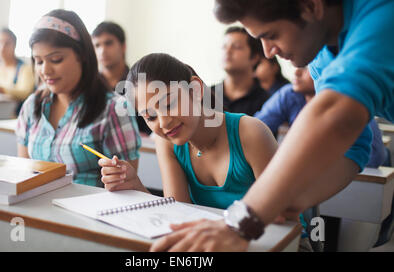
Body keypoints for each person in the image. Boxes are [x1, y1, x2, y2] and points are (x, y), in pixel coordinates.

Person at [151, 0, 394, 252]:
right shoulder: (321, 55)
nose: (267, 53)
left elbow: (336, 116)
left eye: (271, 35)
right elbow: (355, 148)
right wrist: (292, 200)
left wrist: (243, 219)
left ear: (310, 6)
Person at [99, 53, 312, 250]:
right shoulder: (168, 143)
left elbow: (284, 218)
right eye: (151, 116)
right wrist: (135, 184)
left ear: (196, 90)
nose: (164, 122)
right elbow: (177, 214)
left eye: (170, 103)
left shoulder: (251, 133)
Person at [16, 9, 141, 187]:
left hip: (91, 212)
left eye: (56, 59)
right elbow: (24, 175)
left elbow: (126, 185)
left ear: (82, 55)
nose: (45, 71)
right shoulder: (32, 106)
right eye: (39, 61)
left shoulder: (114, 109)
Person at [254, 67, 388, 167]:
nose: (296, 72)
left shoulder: (349, 97)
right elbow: (256, 128)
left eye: (307, 67)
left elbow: (374, 156)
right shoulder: (289, 94)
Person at [92, 21, 152, 135]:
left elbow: (151, 129)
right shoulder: (89, 85)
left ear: (123, 46)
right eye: (97, 45)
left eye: (108, 43)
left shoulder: (140, 83)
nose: (102, 51)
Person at [210, 26, 269, 116]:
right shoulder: (208, 95)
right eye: (224, 47)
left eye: (237, 47)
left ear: (254, 58)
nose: (228, 51)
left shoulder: (266, 102)